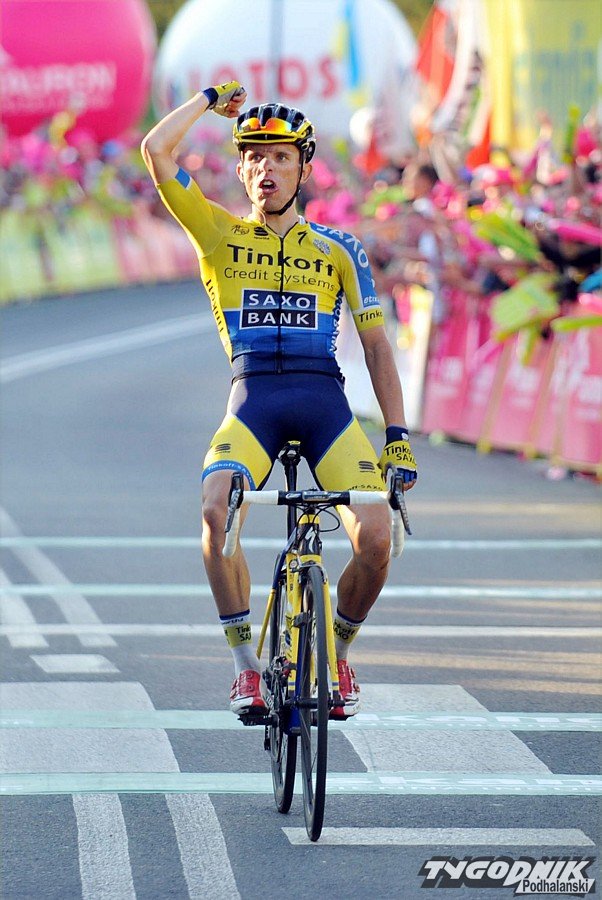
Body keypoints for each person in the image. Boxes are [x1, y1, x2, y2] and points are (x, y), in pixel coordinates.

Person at [141, 81, 417, 718]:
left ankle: (337, 651)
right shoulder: (217, 234)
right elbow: (156, 151)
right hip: (255, 400)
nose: (267, 168)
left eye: (282, 157)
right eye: (255, 157)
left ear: (304, 170)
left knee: (377, 537)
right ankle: (246, 667)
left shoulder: (340, 249)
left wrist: (398, 437)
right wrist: (209, 100)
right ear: (240, 170)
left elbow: (377, 347)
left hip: (325, 404)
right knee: (216, 509)